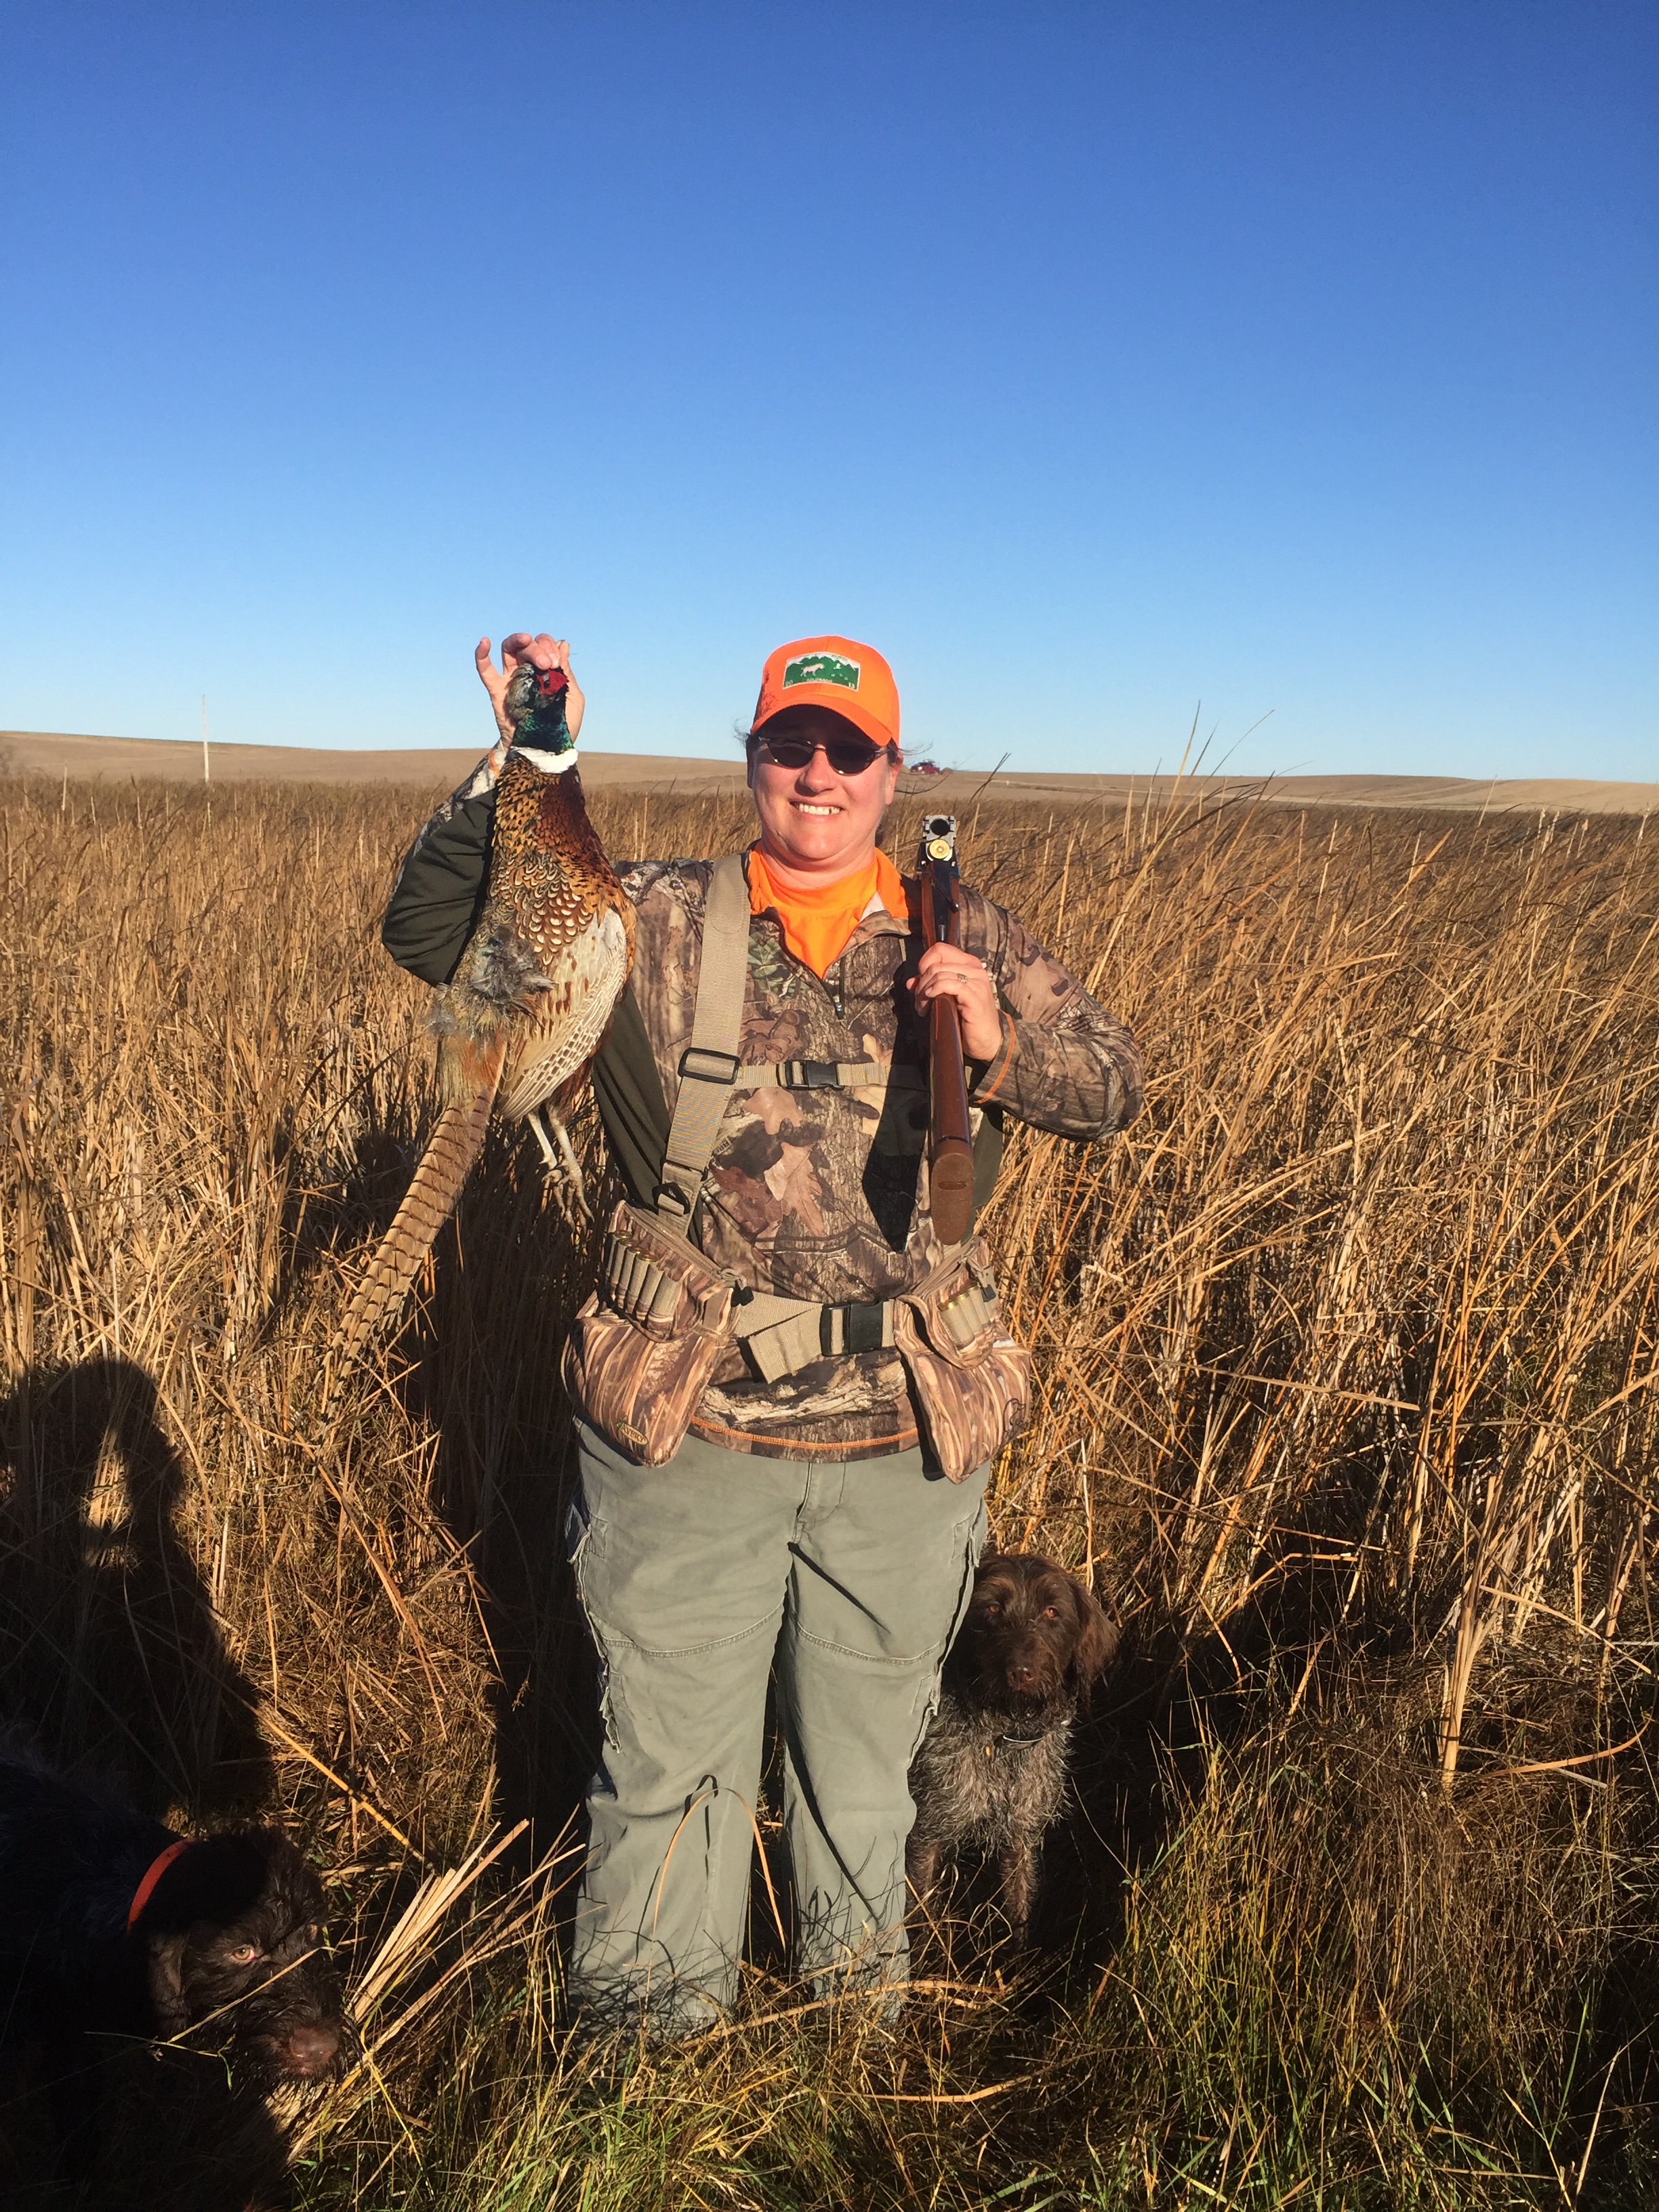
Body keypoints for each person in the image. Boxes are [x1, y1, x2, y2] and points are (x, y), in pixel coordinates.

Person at [380, 630, 1143, 2035]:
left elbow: (1115, 1086)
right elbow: (432, 937)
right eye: (792, 743)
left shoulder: (968, 932)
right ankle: (648, 2065)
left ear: (894, 773)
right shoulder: (651, 915)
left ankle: (847, 2056)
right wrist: (529, 763)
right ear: (753, 760)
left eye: (850, 750)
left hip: (905, 1449)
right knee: (668, 1770)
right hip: (689, 1432)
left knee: (867, 1777)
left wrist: (1001, 1044)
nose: (818, 772)